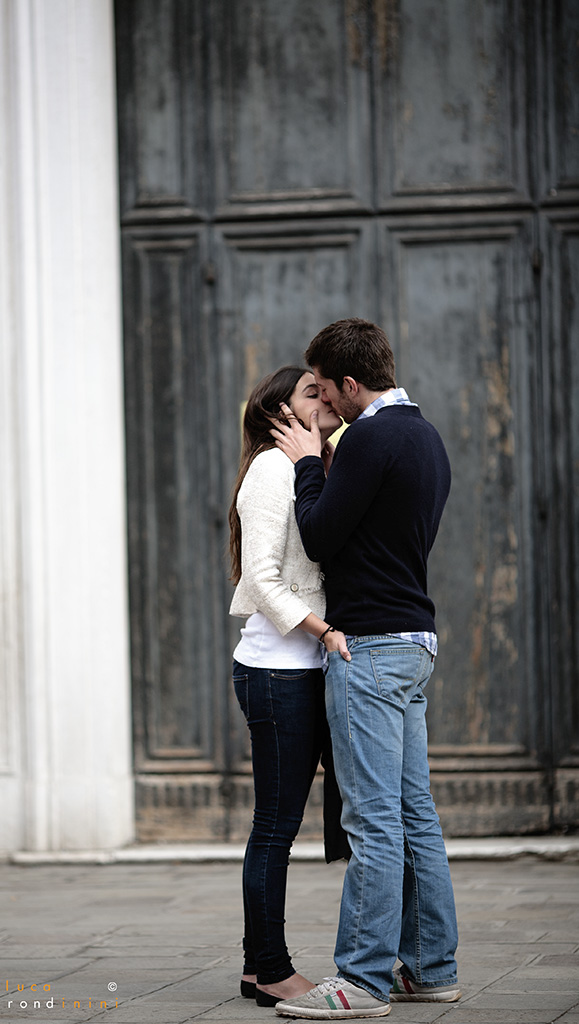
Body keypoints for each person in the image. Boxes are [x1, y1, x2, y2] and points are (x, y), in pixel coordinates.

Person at [269, 319, 460, 1019]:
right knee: (414, 816)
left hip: (371, 646)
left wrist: (305, 461)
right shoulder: (425, 435)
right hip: (414, 641)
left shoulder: (369, 436)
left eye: (324, 389)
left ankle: (361, 981)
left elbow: (318, 537)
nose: (321, 403)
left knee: (374, 821)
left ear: (351, 384)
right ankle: (431, 968)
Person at [228, 366, 351, 1008]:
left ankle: (257, 968)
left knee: (279, 824)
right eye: (312, 391)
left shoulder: (314, 466)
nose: (326, 396)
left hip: (299, 670)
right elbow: (264, 580)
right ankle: (272, 969)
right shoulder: (273, 471)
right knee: (275, 827)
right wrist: (326, 630)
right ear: (283, 412)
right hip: (279, 671)